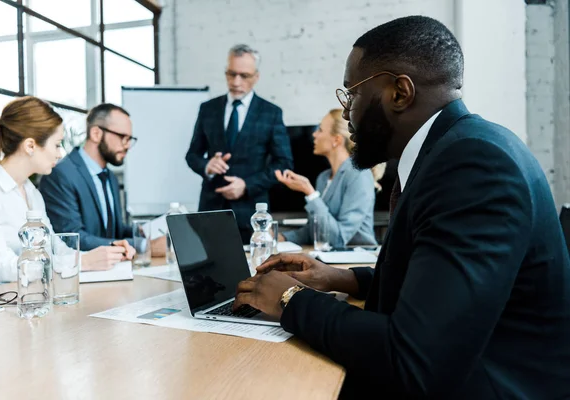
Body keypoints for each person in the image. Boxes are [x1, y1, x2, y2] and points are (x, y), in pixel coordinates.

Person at [233, 16, 570, 398]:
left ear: (399, 93)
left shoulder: (473, 166)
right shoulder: (456, 148)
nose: (346, 113)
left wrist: (289, 298)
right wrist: (339, 278)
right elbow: (440, 288)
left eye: (352, 94)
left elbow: (414, 360)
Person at [0, 96, 135, 291]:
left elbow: (55, 247)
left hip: (29, 294)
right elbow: (1, 267)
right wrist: (83, 262)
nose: (60, 154)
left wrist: (96, 256)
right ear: (30, 146)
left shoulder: (32, 194)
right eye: (57, 145)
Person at [185, 44, 293, 242]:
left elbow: (284, 164)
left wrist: (246, 185)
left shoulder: (271, 113)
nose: (236, 82)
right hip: (210, 212)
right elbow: (192, 155)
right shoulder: (208, 109)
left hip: (252, 216)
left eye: (244, 76)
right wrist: (207, 166)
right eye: (231, 74)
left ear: (256, 77)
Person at [39, 103, 164, 256]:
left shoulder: (110, 178)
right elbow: (71, 238)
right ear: (96, 133)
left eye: (130, 139)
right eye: (122, 137)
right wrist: (143, 245)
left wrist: (143, 232)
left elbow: (112, 230)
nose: (127, 145)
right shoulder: (61, 174)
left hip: (113, 269)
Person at [275, 109, 378, 247]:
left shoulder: (359, 174)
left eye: (320, 130)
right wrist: (280, 237)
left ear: (337, 140)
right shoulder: (323, 178)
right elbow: (316, 231)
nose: (314, 134)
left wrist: (311, 194)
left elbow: (339, 238)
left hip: (356, 261)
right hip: (330, 258)